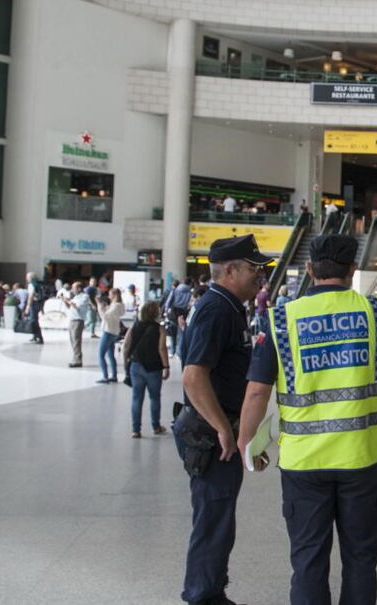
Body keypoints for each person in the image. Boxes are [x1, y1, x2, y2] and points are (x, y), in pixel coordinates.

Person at [237, 234, 377, 605]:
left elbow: (256, 392)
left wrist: (247, 442)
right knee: (361, 560)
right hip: (361, 458)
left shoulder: (280, 318)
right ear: (353, 270)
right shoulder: (376, 310)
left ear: (309, 270)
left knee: (308, 561)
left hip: (303, 461)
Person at [172, 234, 272, 605]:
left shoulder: (229, 307)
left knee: (219, 517)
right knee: (213, 518)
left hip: (221, 429)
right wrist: (221, 428)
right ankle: (202, 595)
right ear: (230, 270)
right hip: (209, 435)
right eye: (253, 269)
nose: (259, 277)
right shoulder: (217, 309)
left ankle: (209, 589)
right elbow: (193, 376)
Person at [124, 301, 170, 438]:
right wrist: (166, 366)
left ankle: (135, 430)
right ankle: (156, 426)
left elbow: (126, 345)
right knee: (154, 397)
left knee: (137, 398)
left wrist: (126, 363)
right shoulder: (159, 329)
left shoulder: (134, 326)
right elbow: (162, 348)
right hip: (153, 367)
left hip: (136, 365)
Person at [95, 288, 124, 383]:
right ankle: (114, 376)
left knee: (101, 355)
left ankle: (105, 376)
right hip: (114, 331)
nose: (109, 296)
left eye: (110, 294)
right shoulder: (118, 305)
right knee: (111, 355)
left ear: (115, 295)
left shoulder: (116, 306)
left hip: (108, 331)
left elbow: (104, 316)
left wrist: (99, 305)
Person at [61, 281, 89, 367]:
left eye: (74, 288)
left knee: (76, 340)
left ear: (79, 288)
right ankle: (75, 356)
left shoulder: (84, 297)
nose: (72, 290)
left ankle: (78, 359)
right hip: (72, 319)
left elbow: (77, 307)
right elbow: (69, 307)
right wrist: (64, 300)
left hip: (78, 320)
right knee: (72, 340)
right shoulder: (76, 297)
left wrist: (68, 301)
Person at [25, 272, 44, 344]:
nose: (26, 278)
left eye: (27, 277)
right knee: (35, 320)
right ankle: (35, 336)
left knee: (34, 321)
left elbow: (31, 296)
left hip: (34, 304)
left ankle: (39, 337)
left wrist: (28, 306)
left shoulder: (31, 285)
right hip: (38, 304)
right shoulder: (37, 284)